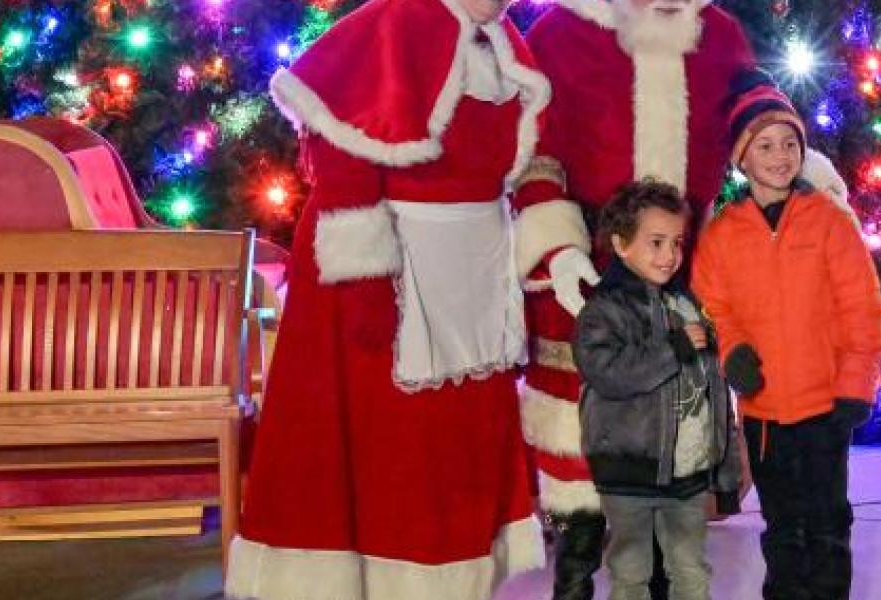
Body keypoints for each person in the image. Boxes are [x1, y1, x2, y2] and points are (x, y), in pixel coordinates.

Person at [510, 2, 847, 596]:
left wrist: (809, 182)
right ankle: (575, 578)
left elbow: (756, 110)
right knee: (576, 444)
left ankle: (662, 579)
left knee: (670, 439)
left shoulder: (715, 32)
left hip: (687, 268)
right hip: (587, 268)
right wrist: (557, 247)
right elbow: (534, 150)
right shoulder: (563, 32)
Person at [226, 0, 550, 596]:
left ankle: (455, 577)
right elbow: (343, 151)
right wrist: (366, 276)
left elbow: (515, 167)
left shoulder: (501, 43)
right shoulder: (390, 24)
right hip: (391, 274)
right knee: (389, 449)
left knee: (461, 446)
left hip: (474, 278)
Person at [693, 82, 881, 600]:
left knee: (826, 524)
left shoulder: (829, 224)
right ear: (742, 158)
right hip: (764, 415)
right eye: (765, 145)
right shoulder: (723, 235)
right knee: (782, 527)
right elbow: (713, 306)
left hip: (826, 407)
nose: (780, 156)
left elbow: (862, 309)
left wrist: (855, 385)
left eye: (789, 144)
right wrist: (732, 350)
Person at [574, 180, 743, 600]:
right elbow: (607, 373)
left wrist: (722, 466)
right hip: (628, 472)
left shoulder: (687, 304)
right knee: (632, 573)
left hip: (686, 474)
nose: (669, 255)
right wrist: (673, 350)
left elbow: (712, 390)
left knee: (691, 569)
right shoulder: (605, 308)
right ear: (621, 244)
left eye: (676, 243)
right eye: (656, 242)